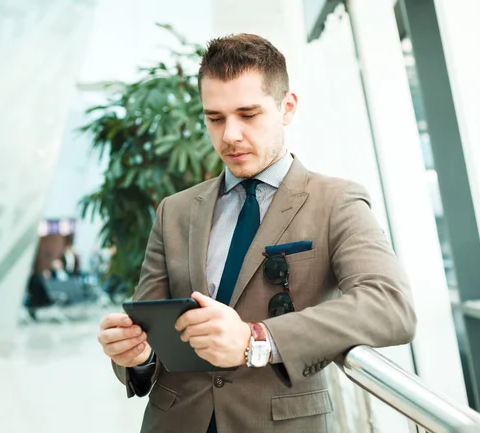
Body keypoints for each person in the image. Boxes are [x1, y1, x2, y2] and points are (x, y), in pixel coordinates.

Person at [97, 34, 417, 433]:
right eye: (214, 118)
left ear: (287, 108)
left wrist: (258, 339)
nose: (229, 135)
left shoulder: (335, 201)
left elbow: (390, 306)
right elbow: (153, 335)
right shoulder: (174, 211)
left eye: (248, 115)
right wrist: (136, 354)